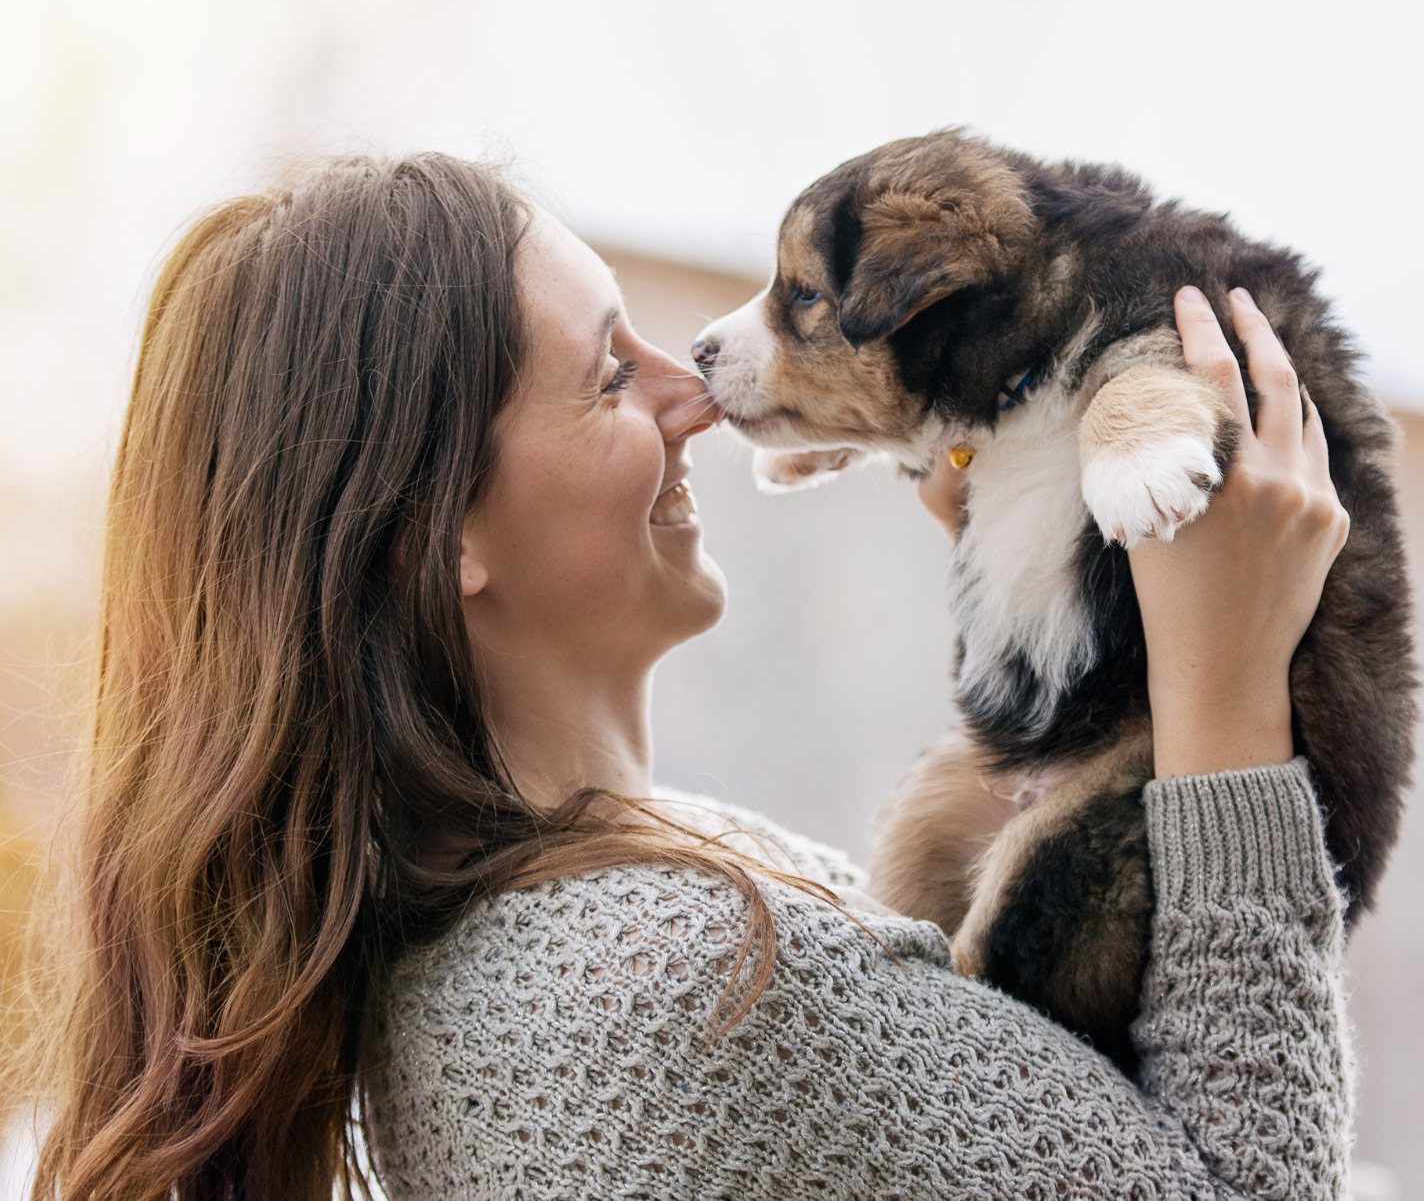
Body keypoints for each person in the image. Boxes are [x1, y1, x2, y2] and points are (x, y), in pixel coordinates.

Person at [33, 152, 1357, 1199]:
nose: (695, 394)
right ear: (432, 538)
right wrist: (1227, 699)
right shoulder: (681, 978)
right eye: (611, 373)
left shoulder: (605, 918)